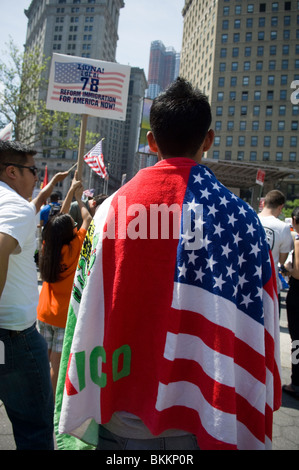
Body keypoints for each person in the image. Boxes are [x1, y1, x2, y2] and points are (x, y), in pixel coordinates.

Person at [57, 78, 281, 450]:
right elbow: (263, 319)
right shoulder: (242, 219)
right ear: (208, 139)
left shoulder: (110, 210)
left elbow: (84, 309)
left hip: (119, 414)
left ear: (151, 141)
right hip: (201, 418)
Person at [0, 140, 68, 450]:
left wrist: (54, 185)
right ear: (12, 172)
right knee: (36, 431)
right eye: (32, 170)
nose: (35, 175)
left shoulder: (17, 206)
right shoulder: (13, 206)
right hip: (14, 339)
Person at [37, 176, 92, 397]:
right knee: (55, 366)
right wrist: (81, 200)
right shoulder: (74, 247)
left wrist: (70, 192)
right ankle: (48, 405)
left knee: (43, 361)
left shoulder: (47, 245)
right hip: (62, 318)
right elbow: (88, 218)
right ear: (71, 231)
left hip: (44, 313)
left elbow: (59, 220)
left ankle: (38, 396)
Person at [258, 190, 294, 313]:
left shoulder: (251, 219)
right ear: (281, 207)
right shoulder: (282, 227)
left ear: (264, 203)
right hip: (270, 284)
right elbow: (282, 259)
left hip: (249, 280)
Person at [282, 207, 299, 400]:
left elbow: (297, 272)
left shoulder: (298, 240)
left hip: (297, 296)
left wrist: (287, 267)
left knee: (297, 340)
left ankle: (296, 382)